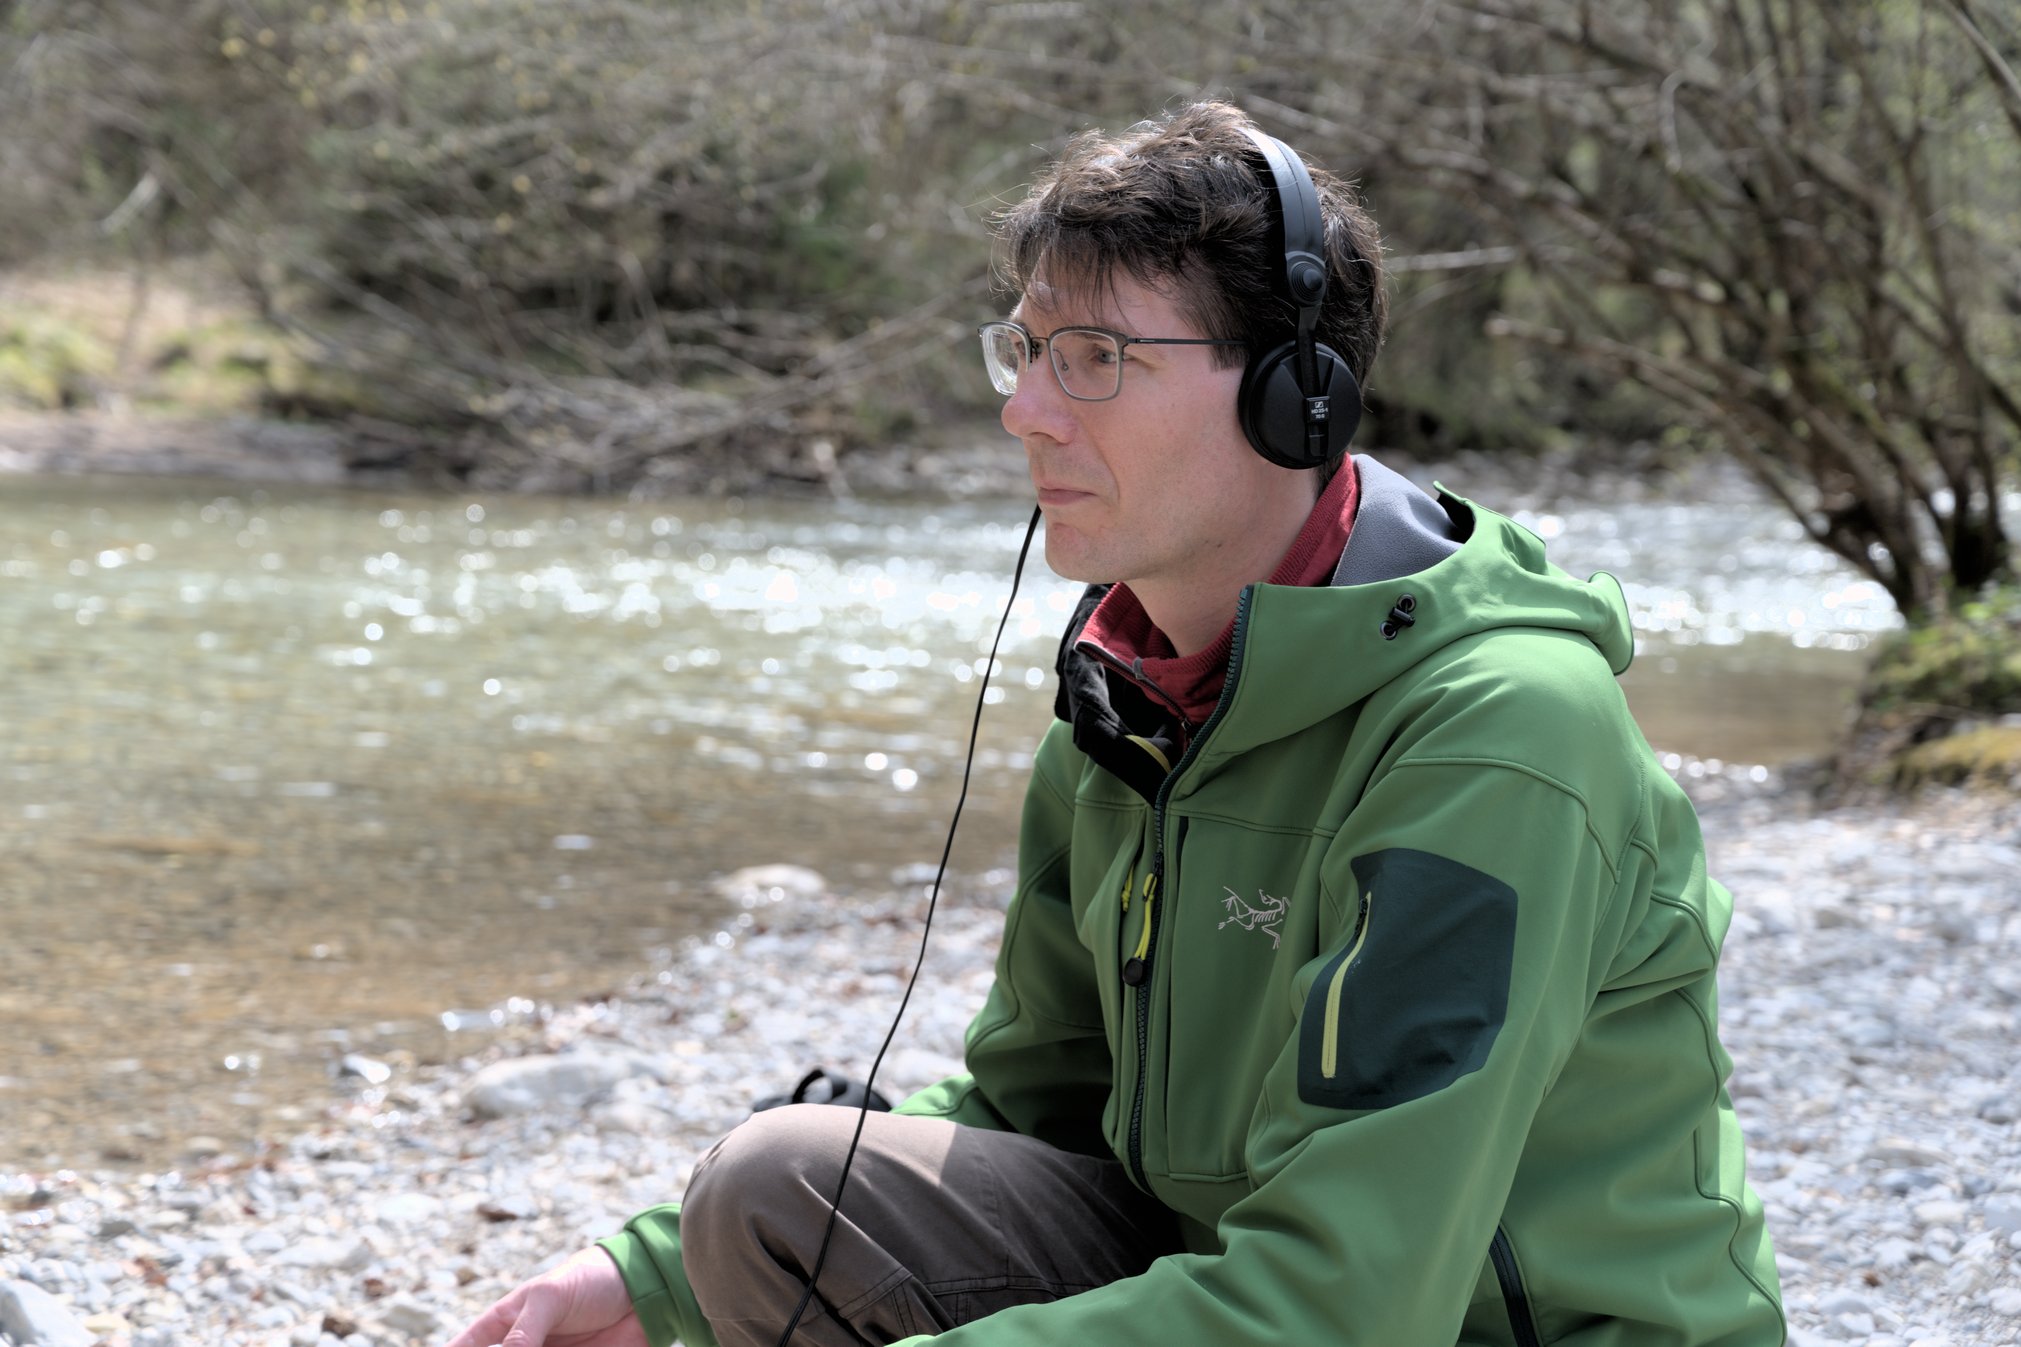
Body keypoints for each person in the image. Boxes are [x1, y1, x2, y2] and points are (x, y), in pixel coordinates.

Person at [445, 100, 1785, 1347]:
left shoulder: (1496, 735)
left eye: (1094, 358)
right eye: (1025, 351)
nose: (1025, 411)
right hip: (1248, 1279)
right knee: (773, 1191)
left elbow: (1344, 1303)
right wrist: (648, 1276)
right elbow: (1035, 1110)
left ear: (1291, 391)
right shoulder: (1124, 701)